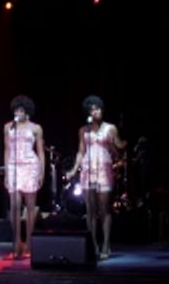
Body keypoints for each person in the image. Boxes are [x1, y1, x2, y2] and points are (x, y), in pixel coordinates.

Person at [65, 95, 126, 260]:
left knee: (104, 209)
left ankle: (106, 243)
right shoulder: (83, 130)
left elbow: (120, 147)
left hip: (104, 170)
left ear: (102, 110)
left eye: (98, 108)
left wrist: (117, 144)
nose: (95, 111)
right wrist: (73, 170)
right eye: (92, 109)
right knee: (91, 210)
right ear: (88, 112)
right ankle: (92, 244)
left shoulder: (110, 128)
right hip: (88, 170)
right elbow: (81, 151)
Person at [3, 94, 45, 260]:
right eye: (16, 110)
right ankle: (17, 242)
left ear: (27, 111)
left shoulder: (36, 128)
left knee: (29, 205)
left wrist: (41, 172)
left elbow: (41, 151)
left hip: (30, 165)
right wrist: (6, 172)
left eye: (21, 110)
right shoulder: (8, 127)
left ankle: (29, 243)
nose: (18, 113)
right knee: (14, 204)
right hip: (13, 166)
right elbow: (6, 150)